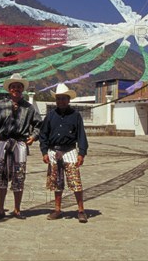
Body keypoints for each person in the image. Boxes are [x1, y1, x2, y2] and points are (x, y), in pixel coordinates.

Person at [0, 73, 42, 220]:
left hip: (20, 144)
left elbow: (39, 124)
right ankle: (0, 209)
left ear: (22, 89)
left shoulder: (29, 108)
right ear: (9, 89)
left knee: (19, 176)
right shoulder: (0, 106)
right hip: (4, 143)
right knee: (1, 175)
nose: (16, 89)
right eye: (13, 87)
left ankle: (17, 209)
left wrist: (33, 137)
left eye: (19, 87)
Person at [40, 83, 89, 223]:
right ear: (56, 100)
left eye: (63, 98)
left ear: (68, 99)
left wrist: (82, 153)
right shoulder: (50, 116)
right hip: (53, 152)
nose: (61, 101)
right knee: (57, 182)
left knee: (75, 181)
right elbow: (43, 134)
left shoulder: (75, 116)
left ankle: (81, 210)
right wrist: (44, 152)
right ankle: (57, 209)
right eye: (59, 98)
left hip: (70, 151)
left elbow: (81, 135)